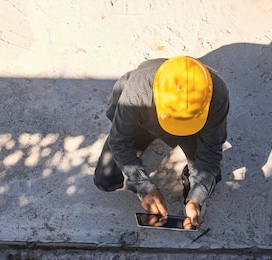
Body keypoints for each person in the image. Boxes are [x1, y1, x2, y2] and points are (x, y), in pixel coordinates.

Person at [93, 56, 229, 229]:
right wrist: (144, 188)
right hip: (144, 121)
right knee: (106, 179)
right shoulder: (136, 92)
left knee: (209, 176)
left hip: (191, 131)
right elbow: (120, 142)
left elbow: (210, 152)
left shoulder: (217, 93)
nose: (176, 131)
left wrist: (196, 199)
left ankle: (191, 194)